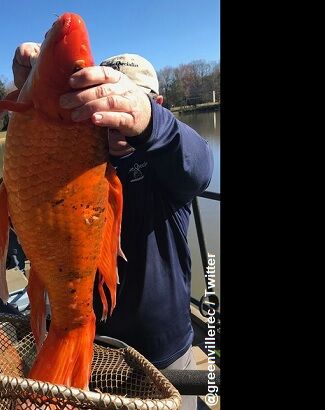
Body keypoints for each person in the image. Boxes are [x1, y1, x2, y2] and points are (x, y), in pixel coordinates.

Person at [13, 43, 213, 410]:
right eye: (104, 102)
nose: (116, 115)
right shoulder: (70, 158)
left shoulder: (168, 164)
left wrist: (148, 121)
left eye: (129, 99)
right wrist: (34, 103)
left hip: (164, 354)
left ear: (159, 103)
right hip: (91, 350)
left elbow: (198, 164)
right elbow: (25, 200)